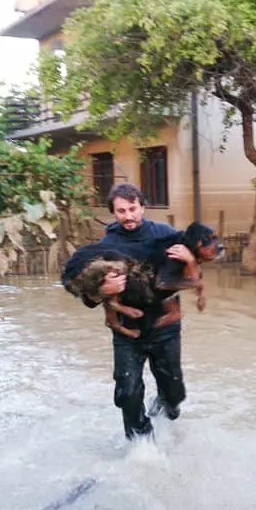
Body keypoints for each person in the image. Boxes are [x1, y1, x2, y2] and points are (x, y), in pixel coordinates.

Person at [61, 183, 196, 441]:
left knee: (174, 393)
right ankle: (141, 443)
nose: (128, 215)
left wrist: (189, 260)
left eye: (133, 208)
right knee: (127, 391)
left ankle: (165, 409)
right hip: (127, 332)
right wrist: (103, 289)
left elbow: (188, 275)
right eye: (121, 211)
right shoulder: (106, 246)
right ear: (114, 213)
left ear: (143, 207)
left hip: (164, 328)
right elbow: (88, 297)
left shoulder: (166, 235)